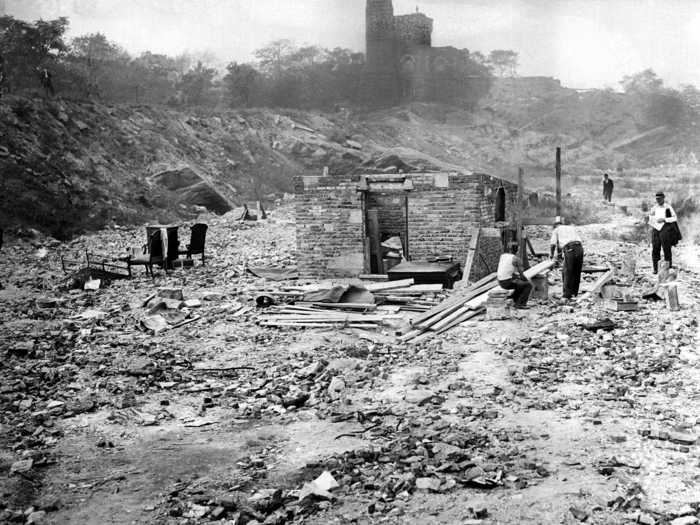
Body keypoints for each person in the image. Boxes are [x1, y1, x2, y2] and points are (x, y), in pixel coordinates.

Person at [550, 216, 584, 299]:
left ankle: (566, 295)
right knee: (576, 271)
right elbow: (560, 244)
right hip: (579, 248)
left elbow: (553, 244)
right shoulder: (571, 228)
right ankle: (574, 293)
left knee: (567, 272)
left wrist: (551, 255)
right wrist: (560, 255)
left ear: (555, 226)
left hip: (570, 249)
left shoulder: (556, 230)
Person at [649, 191, 679, 274]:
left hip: (665, 230)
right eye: (657, 199)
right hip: (656, 229)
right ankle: (656, 269)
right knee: (655, 249)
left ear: (663, 198)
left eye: (660, 199)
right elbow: (650, 216)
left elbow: (674, 218)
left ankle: (668, 268)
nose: (658, 200)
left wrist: (664, 219)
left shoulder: (668, 207)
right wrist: (653, 220)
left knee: (666, 249)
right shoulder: (654, 207)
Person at [497, 243, 532, 309]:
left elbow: (506, 268)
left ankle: (514, 299)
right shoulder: (516, 259)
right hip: (507, 282)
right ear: (517, 250)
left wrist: (516, 276)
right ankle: (520, 304)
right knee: (528, 285)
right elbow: (522, 276)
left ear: (509, 249)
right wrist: (527, 280)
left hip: (500, 281)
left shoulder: (503, 256)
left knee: (519, 283)